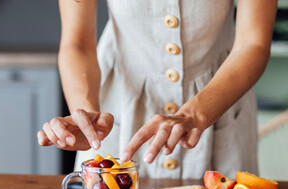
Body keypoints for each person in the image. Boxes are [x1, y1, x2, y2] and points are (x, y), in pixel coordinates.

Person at [37, 0, 277, 179]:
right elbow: (77, 42)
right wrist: (87, 112)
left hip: (218, 108)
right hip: (119, 115)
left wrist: (195, 114)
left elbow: (253, 42)